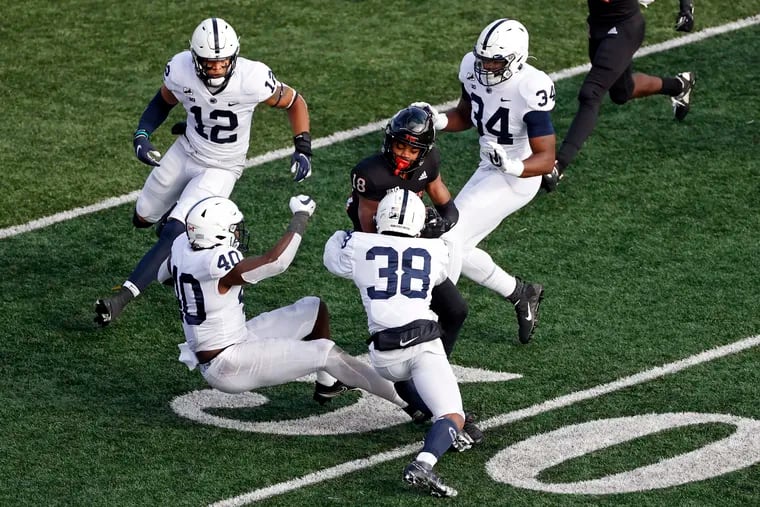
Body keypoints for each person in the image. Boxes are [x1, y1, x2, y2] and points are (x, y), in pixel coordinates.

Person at [94, 17, 313, 327]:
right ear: (196, 58)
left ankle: (121, 299)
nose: (216, 68)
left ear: (234, 57)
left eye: (223, 62)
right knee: (142, 217)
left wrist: (302, 147)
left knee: (174, 230)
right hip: (186, 148)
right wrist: (142, 134)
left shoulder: (253, 78)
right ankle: (174, 250)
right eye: (209, 62)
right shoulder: (181, 69)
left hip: (222, 166)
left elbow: (295, 101)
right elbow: (163, 100)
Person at [167, 193, 415, 417]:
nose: (238, 233)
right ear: (217, 233)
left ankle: (328, 384)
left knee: (313, 309)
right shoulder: (215, 261)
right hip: (227, 362)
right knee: (324, 351)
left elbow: (164, 275)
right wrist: (300, 216)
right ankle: (408, 403)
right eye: (233, 229)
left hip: (234, 338)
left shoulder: (182, 247)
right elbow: (275, 262)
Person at [414, 18, 556, 344]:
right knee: (458, 246)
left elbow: (546, 158)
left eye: (495, 61)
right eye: (483, 59)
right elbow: (466, 115)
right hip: (489, 168)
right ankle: (521, 293)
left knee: (447, 238)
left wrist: (513, 164)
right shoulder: (472, 67)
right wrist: (438, 120)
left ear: (517, 58)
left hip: (518, 177)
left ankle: (434, 317)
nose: (486, 67)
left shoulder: (529, 86)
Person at [324, 189, 474, 498]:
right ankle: (425, 461)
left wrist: (352, 228)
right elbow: (447, 276)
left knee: (406, 379)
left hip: (383, 355)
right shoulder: (435, 250)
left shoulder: (358, 245)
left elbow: (332, 256)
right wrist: (432, 238)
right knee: (453, 415)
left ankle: (436, 424)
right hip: (422, 344)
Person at [346, 105, 466, 357]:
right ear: (390, 141)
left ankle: (440, 360)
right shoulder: (371, 174)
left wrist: (440, 227)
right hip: (379, 254)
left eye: (413, 150)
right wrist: (421, 238)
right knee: (400, 326)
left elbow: (448, 207)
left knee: (455, 310)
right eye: (400, 146)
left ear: (424, 152)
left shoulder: (430, 163)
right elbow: (369, 234)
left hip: (413, 243)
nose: (404, 154)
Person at [543, 0, 696, 190]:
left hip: (624, 27)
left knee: (591, 93)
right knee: (622, 92)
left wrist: (686, 9)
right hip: (599, 26)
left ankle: (558, 165)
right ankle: (679, 85)